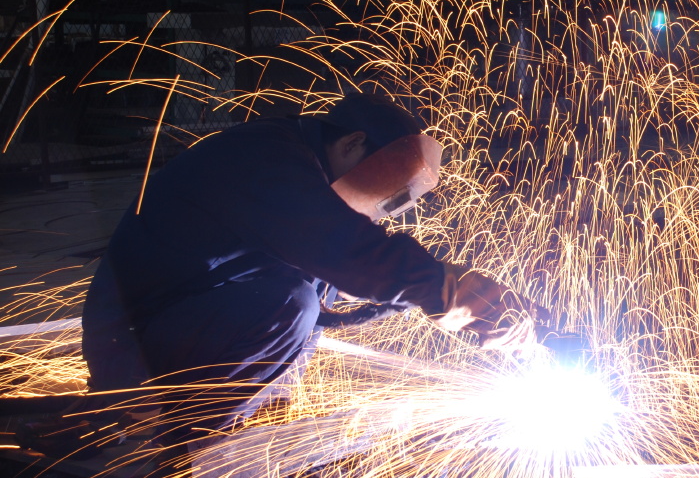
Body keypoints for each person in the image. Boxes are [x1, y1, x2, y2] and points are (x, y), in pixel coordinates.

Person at [79, 91, 537, 440]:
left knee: (306, 310)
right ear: (353, 142)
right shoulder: (267, 162)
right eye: (382, 193)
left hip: (173, 325)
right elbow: (343, 249)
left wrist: (426, 298)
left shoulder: (303, 176)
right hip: (131, 351)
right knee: (288, 307)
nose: (377, 210)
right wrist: (440, 288)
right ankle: (180, 439)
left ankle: (237, 414)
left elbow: (331, 298)